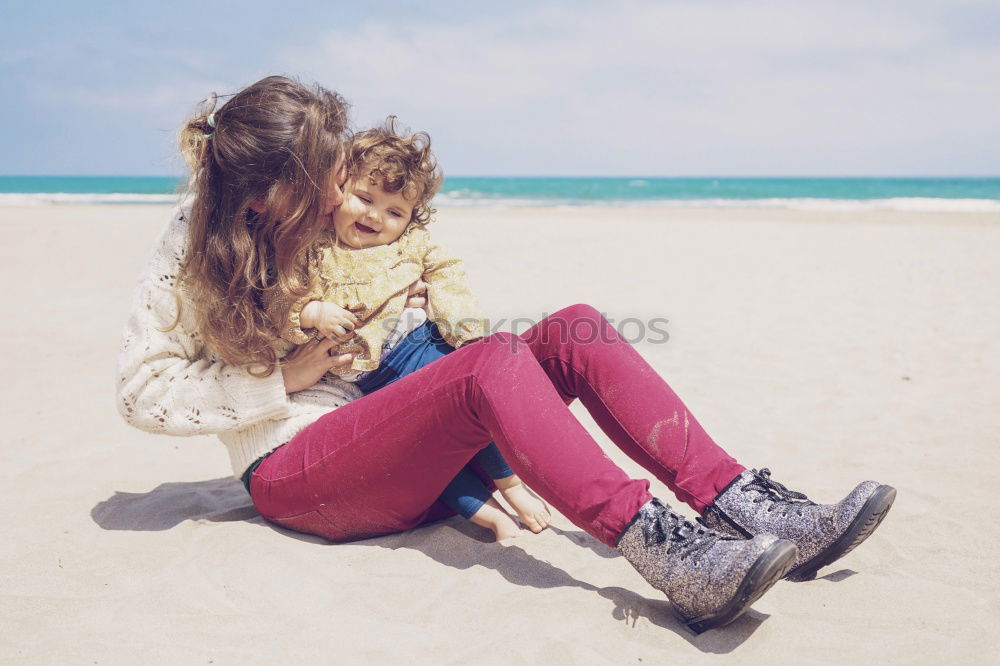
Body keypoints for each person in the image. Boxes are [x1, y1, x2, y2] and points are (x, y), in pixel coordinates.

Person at [116, 75, 896, 634]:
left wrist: (406, 304)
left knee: (573, 329)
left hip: (380, 436)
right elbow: (141, 392)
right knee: (488, 363)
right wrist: (283, 378)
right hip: (294, 474)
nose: (340, 188)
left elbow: (399, 328)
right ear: (273, 185)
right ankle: (672, 557)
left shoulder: (320, 225)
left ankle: (741, 504)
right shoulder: (190, 248)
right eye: (328, 171)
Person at [262, 118, 551, 540]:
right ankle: (486, 515)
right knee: (424, 450)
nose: (376, 216)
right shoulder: (313, 245)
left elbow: (448, 275)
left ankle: (512, 486)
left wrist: (467, 332)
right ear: (339, 193)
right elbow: (281, 298)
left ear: (412, 219)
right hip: (366, 380)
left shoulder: (411, 244)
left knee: (473, 418)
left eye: (394, 211)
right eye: (365, 198)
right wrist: (312, 313)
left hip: (418, 350)